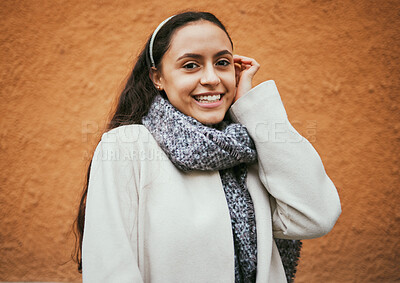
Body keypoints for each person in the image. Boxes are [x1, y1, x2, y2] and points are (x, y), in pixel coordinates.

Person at [74, 11, 341, 283]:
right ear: (158, 78)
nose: (212, 78)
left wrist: (252, 107)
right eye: (191, 65)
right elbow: (110, 268)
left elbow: (316, 216)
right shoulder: (127, 146)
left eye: (222, 63)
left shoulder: (251, 151)